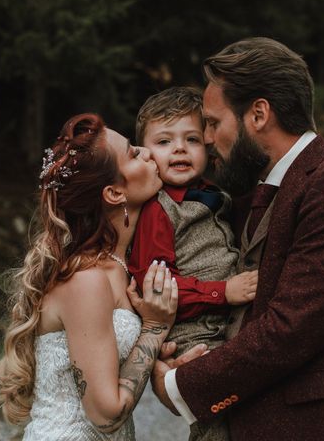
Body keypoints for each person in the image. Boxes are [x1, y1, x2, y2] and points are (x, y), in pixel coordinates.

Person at [152, 37, 324, 440]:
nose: (207, 139)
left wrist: (179, 385)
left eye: (213, 122)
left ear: (259, 114)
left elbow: (292, 328)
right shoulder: (249, 192)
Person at [0, 113, 189, 440]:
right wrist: (154, 329)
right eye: (133, 153)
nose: (148, 151)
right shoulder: (87, 278)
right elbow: (105, 416)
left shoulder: (120, 265)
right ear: (114, 194)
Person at [128, 87, 259, 441]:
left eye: (192, 139)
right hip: (193, 332)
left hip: (224, 322)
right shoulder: (157, 209)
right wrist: (223, 291)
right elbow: (156, 287)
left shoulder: (213, 194)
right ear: (145, 153)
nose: (180, 148)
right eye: (165, 141)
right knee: (216, 422)